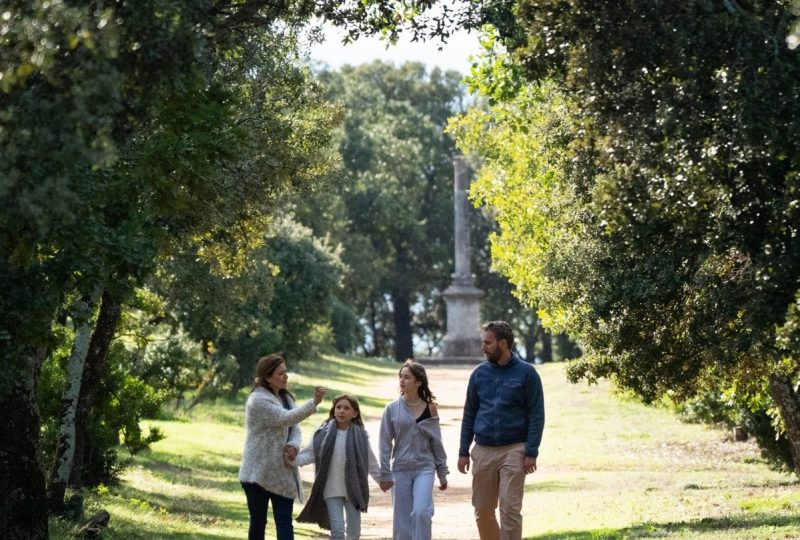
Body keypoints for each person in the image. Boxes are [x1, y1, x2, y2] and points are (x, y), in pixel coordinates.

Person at [458, 321, 545, 540]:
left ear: (503, 343)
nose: (483, 347)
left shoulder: (527, 374)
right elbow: (469, 414)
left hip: (515, 449)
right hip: (483, 450)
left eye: (488, 343)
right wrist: (463, 451)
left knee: (510, 509)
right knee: (482, 510)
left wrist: (531, 451)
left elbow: (536, 414)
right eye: (483, 342)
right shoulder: (478, 374)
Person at [238, 354, 326, 540]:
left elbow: (295, 429)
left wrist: (293, 445)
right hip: (257, 473)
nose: (285, 376)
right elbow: (286, 418)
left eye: (286, 372)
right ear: (267, 377)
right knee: (258, 521)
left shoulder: (287, 398)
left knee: (284, 521)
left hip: (283, 473)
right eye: (280, 373)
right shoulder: (257, 401)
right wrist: (314, 403)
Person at [291, 394, 383, 539]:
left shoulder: (361, 436)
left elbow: (371, 462)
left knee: (354, 533)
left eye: (346, 408)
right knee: (338, 531)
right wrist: (291, 460)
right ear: (333, 411)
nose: (341, 411)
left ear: (355, 413)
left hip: (353, 490)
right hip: (330, 488)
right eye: (338, 407)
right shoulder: (323, 434)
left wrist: (382, 480)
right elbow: (309, 454)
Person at [379, 359, 449, 540]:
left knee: (421, 512)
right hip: (400, 469)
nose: (402, 381)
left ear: (418, 382)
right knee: (401, 522)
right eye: (400, 377)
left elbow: (437, 443)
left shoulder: (430, 409)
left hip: (424, 468)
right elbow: (385, 443)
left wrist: (442, 472)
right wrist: (385, 472)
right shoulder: (392, 409)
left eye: (407, 377)